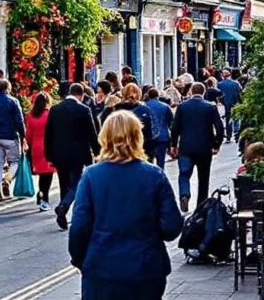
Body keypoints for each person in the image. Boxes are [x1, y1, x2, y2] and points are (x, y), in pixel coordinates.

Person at [68, 110, 184, 299]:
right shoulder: (154, 175)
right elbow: (172, 226)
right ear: (138, 137)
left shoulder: (91, 176)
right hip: (146, 267)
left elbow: (79, 226)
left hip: (102, 268)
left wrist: (80, 259)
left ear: (104, 138)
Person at [45, 83, 101, 230]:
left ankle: (63, 213)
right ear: (80, 95)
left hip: (59, 153)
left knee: (63, 183)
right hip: (78, 153)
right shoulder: (83, 110)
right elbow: (91, 134)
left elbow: (48, 134)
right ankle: (63, 206)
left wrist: (49, 155)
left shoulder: (55, 109)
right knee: (77, 181)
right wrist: (98, 152)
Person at [170, 82, 225, 211]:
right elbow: (219, 127)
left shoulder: (182, 107)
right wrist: (216, 144)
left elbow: (175, 128)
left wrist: (173, 145)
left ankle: (184, 194)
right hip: (204, 148)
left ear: (190, 91)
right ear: (203, 92)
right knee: (203, 178)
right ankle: (201, 207)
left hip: (186, 147)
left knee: (184, 173)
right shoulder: (210, 107)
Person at [0, 79, 26, 201]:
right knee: (15, 161)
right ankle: (7, 180)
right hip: (10, 136)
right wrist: (23, 135)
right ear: (8, 88)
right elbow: (19, 121)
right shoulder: (13, 101)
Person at [25, 91, 56, 211]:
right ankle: (44, 198)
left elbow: (28, 134)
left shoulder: (30, 115)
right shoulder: (49, 114)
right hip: (48, 146)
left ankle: (41, 194)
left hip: (36, 146)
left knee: (42, 174)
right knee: (48, 174)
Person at [144, 88, 173, 169]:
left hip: (148, 137)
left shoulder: (144, 106)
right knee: (161, 162)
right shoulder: (165, 107)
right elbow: (171, 123)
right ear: (158, 96)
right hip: (162, 137)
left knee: (148, 162)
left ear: (148, 96)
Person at [218, 70, 243, 142]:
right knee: (236, 117)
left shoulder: (219, 84)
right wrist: (241, 102)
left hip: (225, 103)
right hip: (234, 102)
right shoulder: (236, 83)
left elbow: (219, 95)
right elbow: (240, 93)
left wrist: (222, 102)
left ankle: (229, 135)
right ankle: (236, 133)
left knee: (227, 118)